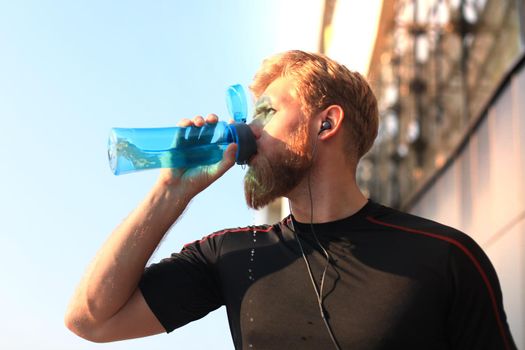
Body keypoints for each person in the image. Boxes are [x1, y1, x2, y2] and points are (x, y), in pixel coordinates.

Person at [65, 50, 517, 350]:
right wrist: (169, 193)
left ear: (326, 124)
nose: (250, 129)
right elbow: (90, 320)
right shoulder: (233, 255)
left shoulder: (445, 257)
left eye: (266, 112)